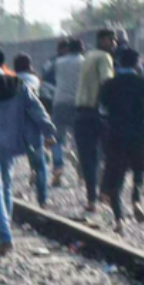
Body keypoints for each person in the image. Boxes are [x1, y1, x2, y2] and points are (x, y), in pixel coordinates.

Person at [0, 44, 56, 257]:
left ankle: (4, 235)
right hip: (12, 144)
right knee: (6, 187)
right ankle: (5, 233)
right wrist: (49, 131)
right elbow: (36, 108)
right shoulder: (18, 83)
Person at [97, 48, 144, 232]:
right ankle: (136, 200)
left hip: (116, 134)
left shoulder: (107, 85)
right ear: (136, 63)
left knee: (116, 174)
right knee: (139, 168)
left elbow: (102, 112)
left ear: (118, 63)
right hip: (139, 133)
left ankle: (119, 220)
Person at [73, 29, 116, 216]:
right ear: (105, 40)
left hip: (80, 113)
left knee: (88, 159)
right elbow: (107, 82)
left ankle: (91, 200)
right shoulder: (105, 57)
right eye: (113, 40)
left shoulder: (88, 56)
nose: (114, 44)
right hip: (97, 113)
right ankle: (107, 193)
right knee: (111, 154)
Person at [13, 53, 49, 206]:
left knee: (9, 162)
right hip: (33, 125)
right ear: (29, 66)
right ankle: (42, 200)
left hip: (14, 125)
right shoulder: (34, 80)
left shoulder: (10, 81)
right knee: (40, 163)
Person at [50, 37, 84, 188]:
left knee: (57, 138)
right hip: (78, 103)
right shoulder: (85, 62)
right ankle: (81, 173)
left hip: (60, 101)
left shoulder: (58, 62)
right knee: (79, 139)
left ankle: (58, 166)